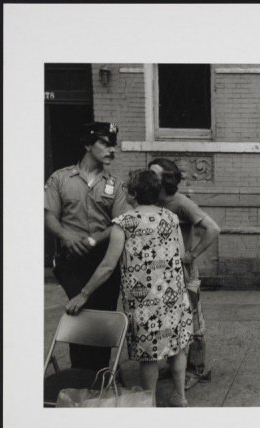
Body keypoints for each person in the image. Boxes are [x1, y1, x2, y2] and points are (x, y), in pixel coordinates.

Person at [65, 169, 194, 407]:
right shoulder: (171, 218)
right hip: (173, 296)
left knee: (149, 356)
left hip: (144, 301)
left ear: (133, 194)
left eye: (126, 189)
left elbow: (107, 265)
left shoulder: (124, 222)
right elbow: (182, 255)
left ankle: (149, 403)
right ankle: (180, 397)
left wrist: (83, 294)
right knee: (178, 348)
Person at [44, 122, 130, 371]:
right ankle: (80, 372)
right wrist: (66, 236)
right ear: (87, 145)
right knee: (79, 311)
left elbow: (119, 222)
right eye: (104, 143)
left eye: (112, 144)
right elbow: (50, 216)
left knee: (103, 315)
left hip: (104, 259)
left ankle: (101, 374)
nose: (111, 150)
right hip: (71, 259)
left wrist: (94, 240)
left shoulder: (116, 184)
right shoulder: (60, 178)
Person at [148, 158, 221, 389]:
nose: (149, 178)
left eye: (154, 175)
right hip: (160, 274)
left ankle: (195, 369)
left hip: (185, 273)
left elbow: (213, 229)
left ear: (166, 180)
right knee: (169, 321)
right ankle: (175, 366)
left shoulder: (181, 203)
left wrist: (192, 254)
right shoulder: (150, 201)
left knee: (194, 323)